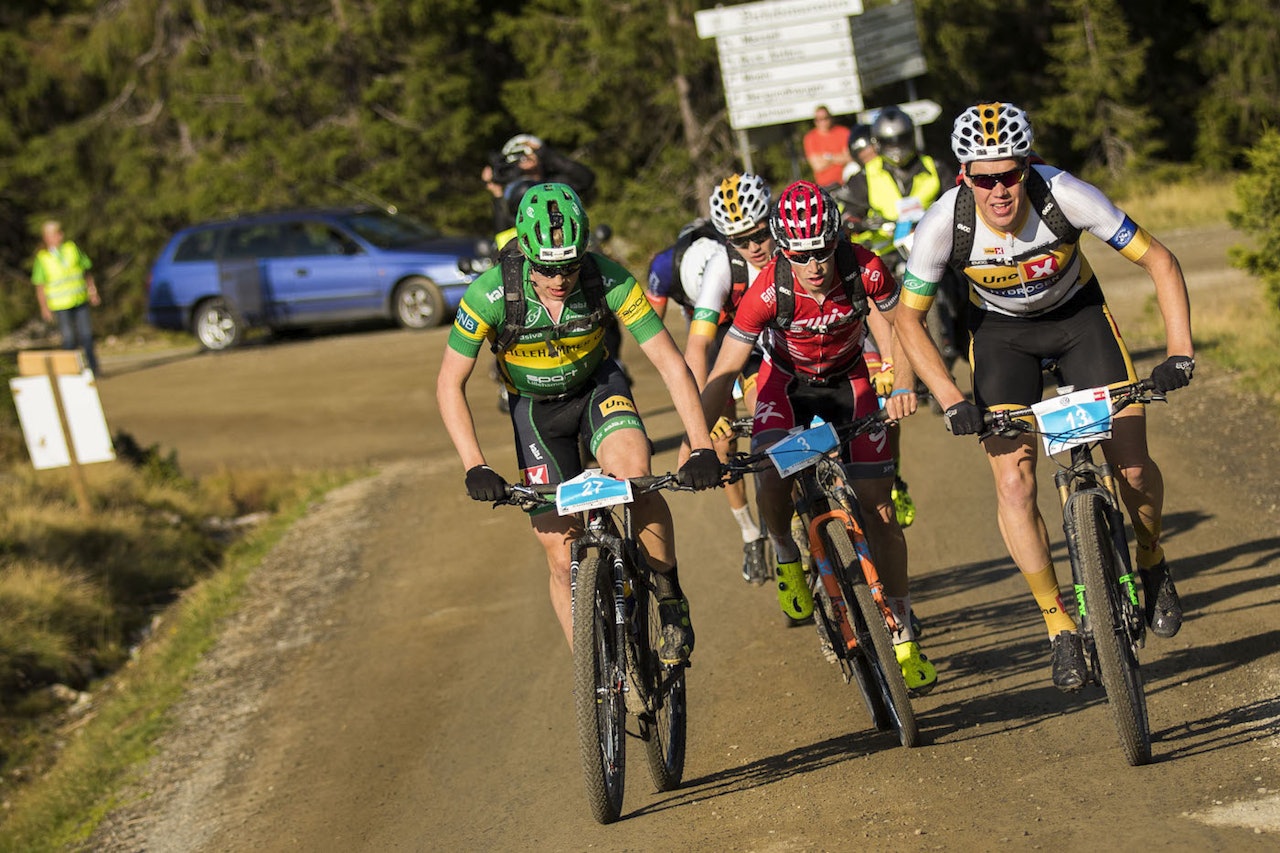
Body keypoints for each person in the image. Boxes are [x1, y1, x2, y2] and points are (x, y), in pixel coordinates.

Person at [894, 102, 1195, 691]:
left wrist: (1179, 351)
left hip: (1079, 321)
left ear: (1027, 165)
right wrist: (951, 397)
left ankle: (1152, 560)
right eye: (983, 179)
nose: (999, 190)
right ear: (964, 177)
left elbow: (1160, 260)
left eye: (1009, 174)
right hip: (1003, 337)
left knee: (1130, 466)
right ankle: (1058, 624)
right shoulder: (942, 224)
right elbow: (909, 321)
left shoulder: (1066, 195)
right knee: (1014, 480)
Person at [437, 183, 721, 665]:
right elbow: (449, 383)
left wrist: (700, 445)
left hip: (597, 389)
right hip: (535, 409)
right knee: (557, 548)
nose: (559, 278)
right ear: (526, 253)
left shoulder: (606, 279)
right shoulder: (489, 294)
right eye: (547, 268)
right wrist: (475, 465)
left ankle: (670, 598)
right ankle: (593, 676)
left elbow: (671, 364)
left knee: (635, 476)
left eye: (569, 266)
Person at [695, 180, 939, 692]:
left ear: (837, 237)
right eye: (801, 254)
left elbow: (904, 326)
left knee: (882, 513)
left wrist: (902, 379)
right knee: (770, 471)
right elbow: (726, 369)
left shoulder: (864, 266)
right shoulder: (766, 290)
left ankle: (904, 631)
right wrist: (698, 443)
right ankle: (784, 550)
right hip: (786, 386)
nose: (814, 265)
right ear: (785, 248)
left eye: (823, 249)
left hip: (849, 381)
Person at [683, 174, 778, 585]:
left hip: (791, 344)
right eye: (741, 240)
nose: (755, 246)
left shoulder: (797, 247)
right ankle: (750, 531)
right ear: (727, 241)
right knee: (723, 442)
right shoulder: (723, 268)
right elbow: (698, 345)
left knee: (771, 423)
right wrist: (698, 421)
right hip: (740, 348)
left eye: (760, 233)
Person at [481, 134, 596, 235]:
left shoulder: (555, 184)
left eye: (527, 154)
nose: (525, 159)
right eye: (519, 156)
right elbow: (503, 234)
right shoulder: (512, 190)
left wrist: (545, 153)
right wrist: (497, 193)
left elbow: (585, 178)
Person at [31, 221, 101, 375]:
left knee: (87, 336)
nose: (53, 238)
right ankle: (71, 371)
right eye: (49, 236)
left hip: (80, 299)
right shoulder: (43, 258)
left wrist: (92, 291)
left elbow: (86, 271)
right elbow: (40, 286)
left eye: (55, 234)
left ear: (60, 234)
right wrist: (44, 308)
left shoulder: (72, 249)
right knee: (68, 339)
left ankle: (95, 369)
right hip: (60, 305)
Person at [803, 106, 852, 190]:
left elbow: (849, 158)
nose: (822, 122)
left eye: (825, 118)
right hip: (826, 186)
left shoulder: (843, 132)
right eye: (818, 119)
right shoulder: (810, 138)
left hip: (847, 182)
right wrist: (839, 157)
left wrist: (826, 157)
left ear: (830, 118)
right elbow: (817, 166)